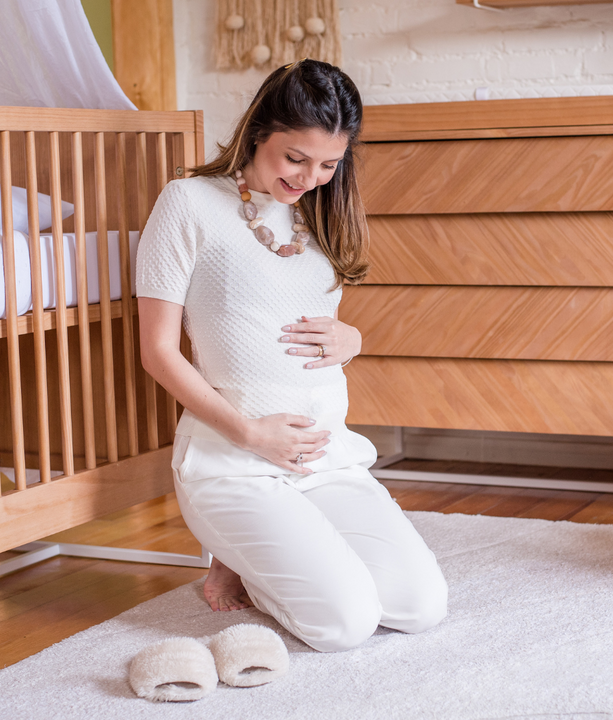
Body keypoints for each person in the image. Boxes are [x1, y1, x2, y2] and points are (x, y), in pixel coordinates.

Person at [135, 59, 447, 653]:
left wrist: (352, 340)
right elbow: (156, 350)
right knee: (345, 624)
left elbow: (311, 323)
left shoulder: (320, 214)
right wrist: (250, 434)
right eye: (295, 158)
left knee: (420, 607)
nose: (309, 176)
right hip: (233, 462)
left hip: (325, 457)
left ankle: (258, 552)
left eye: (328, 164)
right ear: (258, 133)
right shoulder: (189, 203)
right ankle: (238, 552)